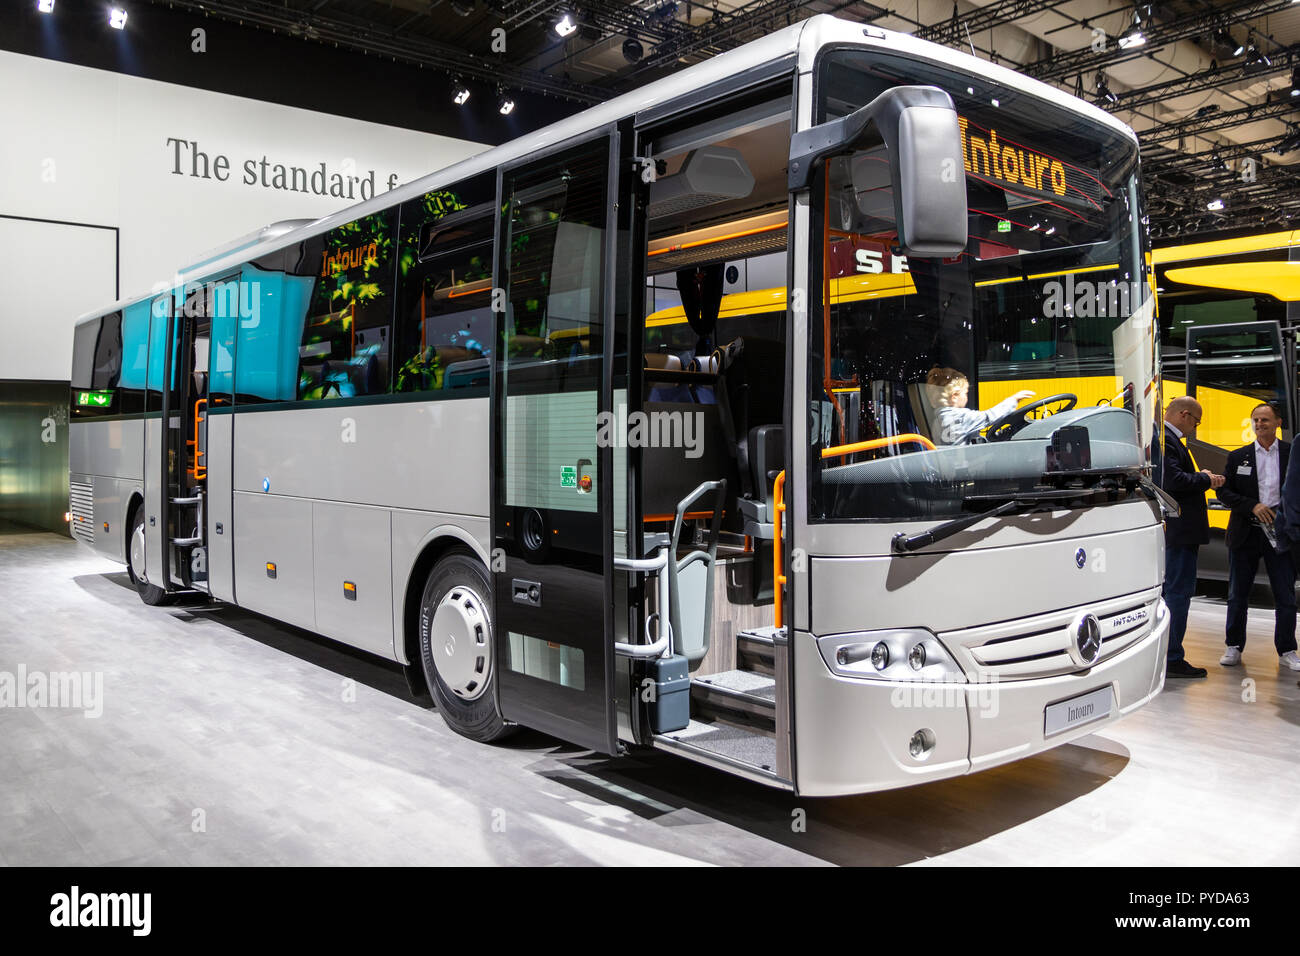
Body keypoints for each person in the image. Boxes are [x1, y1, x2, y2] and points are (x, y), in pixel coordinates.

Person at [1215, 402, 1300, 671]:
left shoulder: (1291, 453)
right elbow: (1224, 493)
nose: (1260, 424)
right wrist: (1252, 505)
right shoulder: (1238, 456)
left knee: (1285, 595)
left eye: (1265, 419)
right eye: (1256, 420)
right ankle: (1233, 646)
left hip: (1280, 534)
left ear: (1278, 422)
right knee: (1237, 594)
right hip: (1245, 534)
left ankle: (1287, 649)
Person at [1158, 396, 1224, 679]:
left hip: (1177, 532)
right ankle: (1172, 657)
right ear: (1184, 415)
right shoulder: (1167, 441)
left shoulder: (1163, 439)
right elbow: (1174, 482)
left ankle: (1166, 654)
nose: (1195, 428)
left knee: (1171, 591)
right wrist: (1206, 479)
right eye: (1196, 421)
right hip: (1181, 532)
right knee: (1178, 593)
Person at [927, 367, 1033, 445]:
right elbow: (988, 417)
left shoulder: (937, 419)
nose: (966, 396)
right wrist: (1014, 400)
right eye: (965, 393)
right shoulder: (961, 417)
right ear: (954, 396)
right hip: (963, 469)